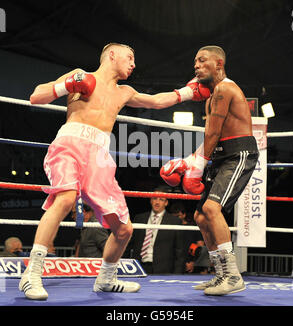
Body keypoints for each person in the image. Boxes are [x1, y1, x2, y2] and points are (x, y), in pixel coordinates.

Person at [19, 42, 210, 300]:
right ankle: (31, 274)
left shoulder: (125, 91)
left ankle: (106, 279)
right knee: (65, 198)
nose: (133, 64)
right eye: (129, 57)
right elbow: (36, 96)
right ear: (112, 55)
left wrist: (187, 93)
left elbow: (155, 101)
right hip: (70, 145)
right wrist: (68, 85)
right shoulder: (80, 75)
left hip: (100, 156)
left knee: (124, 230)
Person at [160, 45, 259, 295]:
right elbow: (210, 136)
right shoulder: (212, 96)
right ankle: (221, 275)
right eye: (195, 61)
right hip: (221, 155)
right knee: (200, 216)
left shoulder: (225, 89)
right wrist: (191, 159)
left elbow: (214, 131)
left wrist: (197, 165)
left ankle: (234, 276)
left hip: (239, 154)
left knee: (211, 208)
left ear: (218, 64)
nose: (196, 65)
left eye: (202, 61)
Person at [130, 186, 185, 274]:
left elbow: (179, 251)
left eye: (161, 199)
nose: (157, 202)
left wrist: (177, 275)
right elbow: (130, 243)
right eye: (155, 198)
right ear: (151, 200)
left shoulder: (175, 221)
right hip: (138, 266)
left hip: (163, 269)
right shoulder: (139, 218)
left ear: (166, 203)